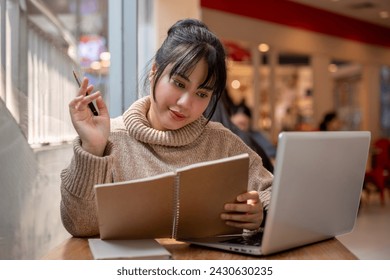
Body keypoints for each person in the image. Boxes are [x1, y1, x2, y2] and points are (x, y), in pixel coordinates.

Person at [60, 19, 273, 237]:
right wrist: (93, 148)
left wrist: (261, 213)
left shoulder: (221, 142)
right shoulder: (110, 138)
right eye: (179, 84)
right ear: (154, 72)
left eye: (202, 94)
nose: (184, 103)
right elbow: (79, 225)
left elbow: (275, 193)